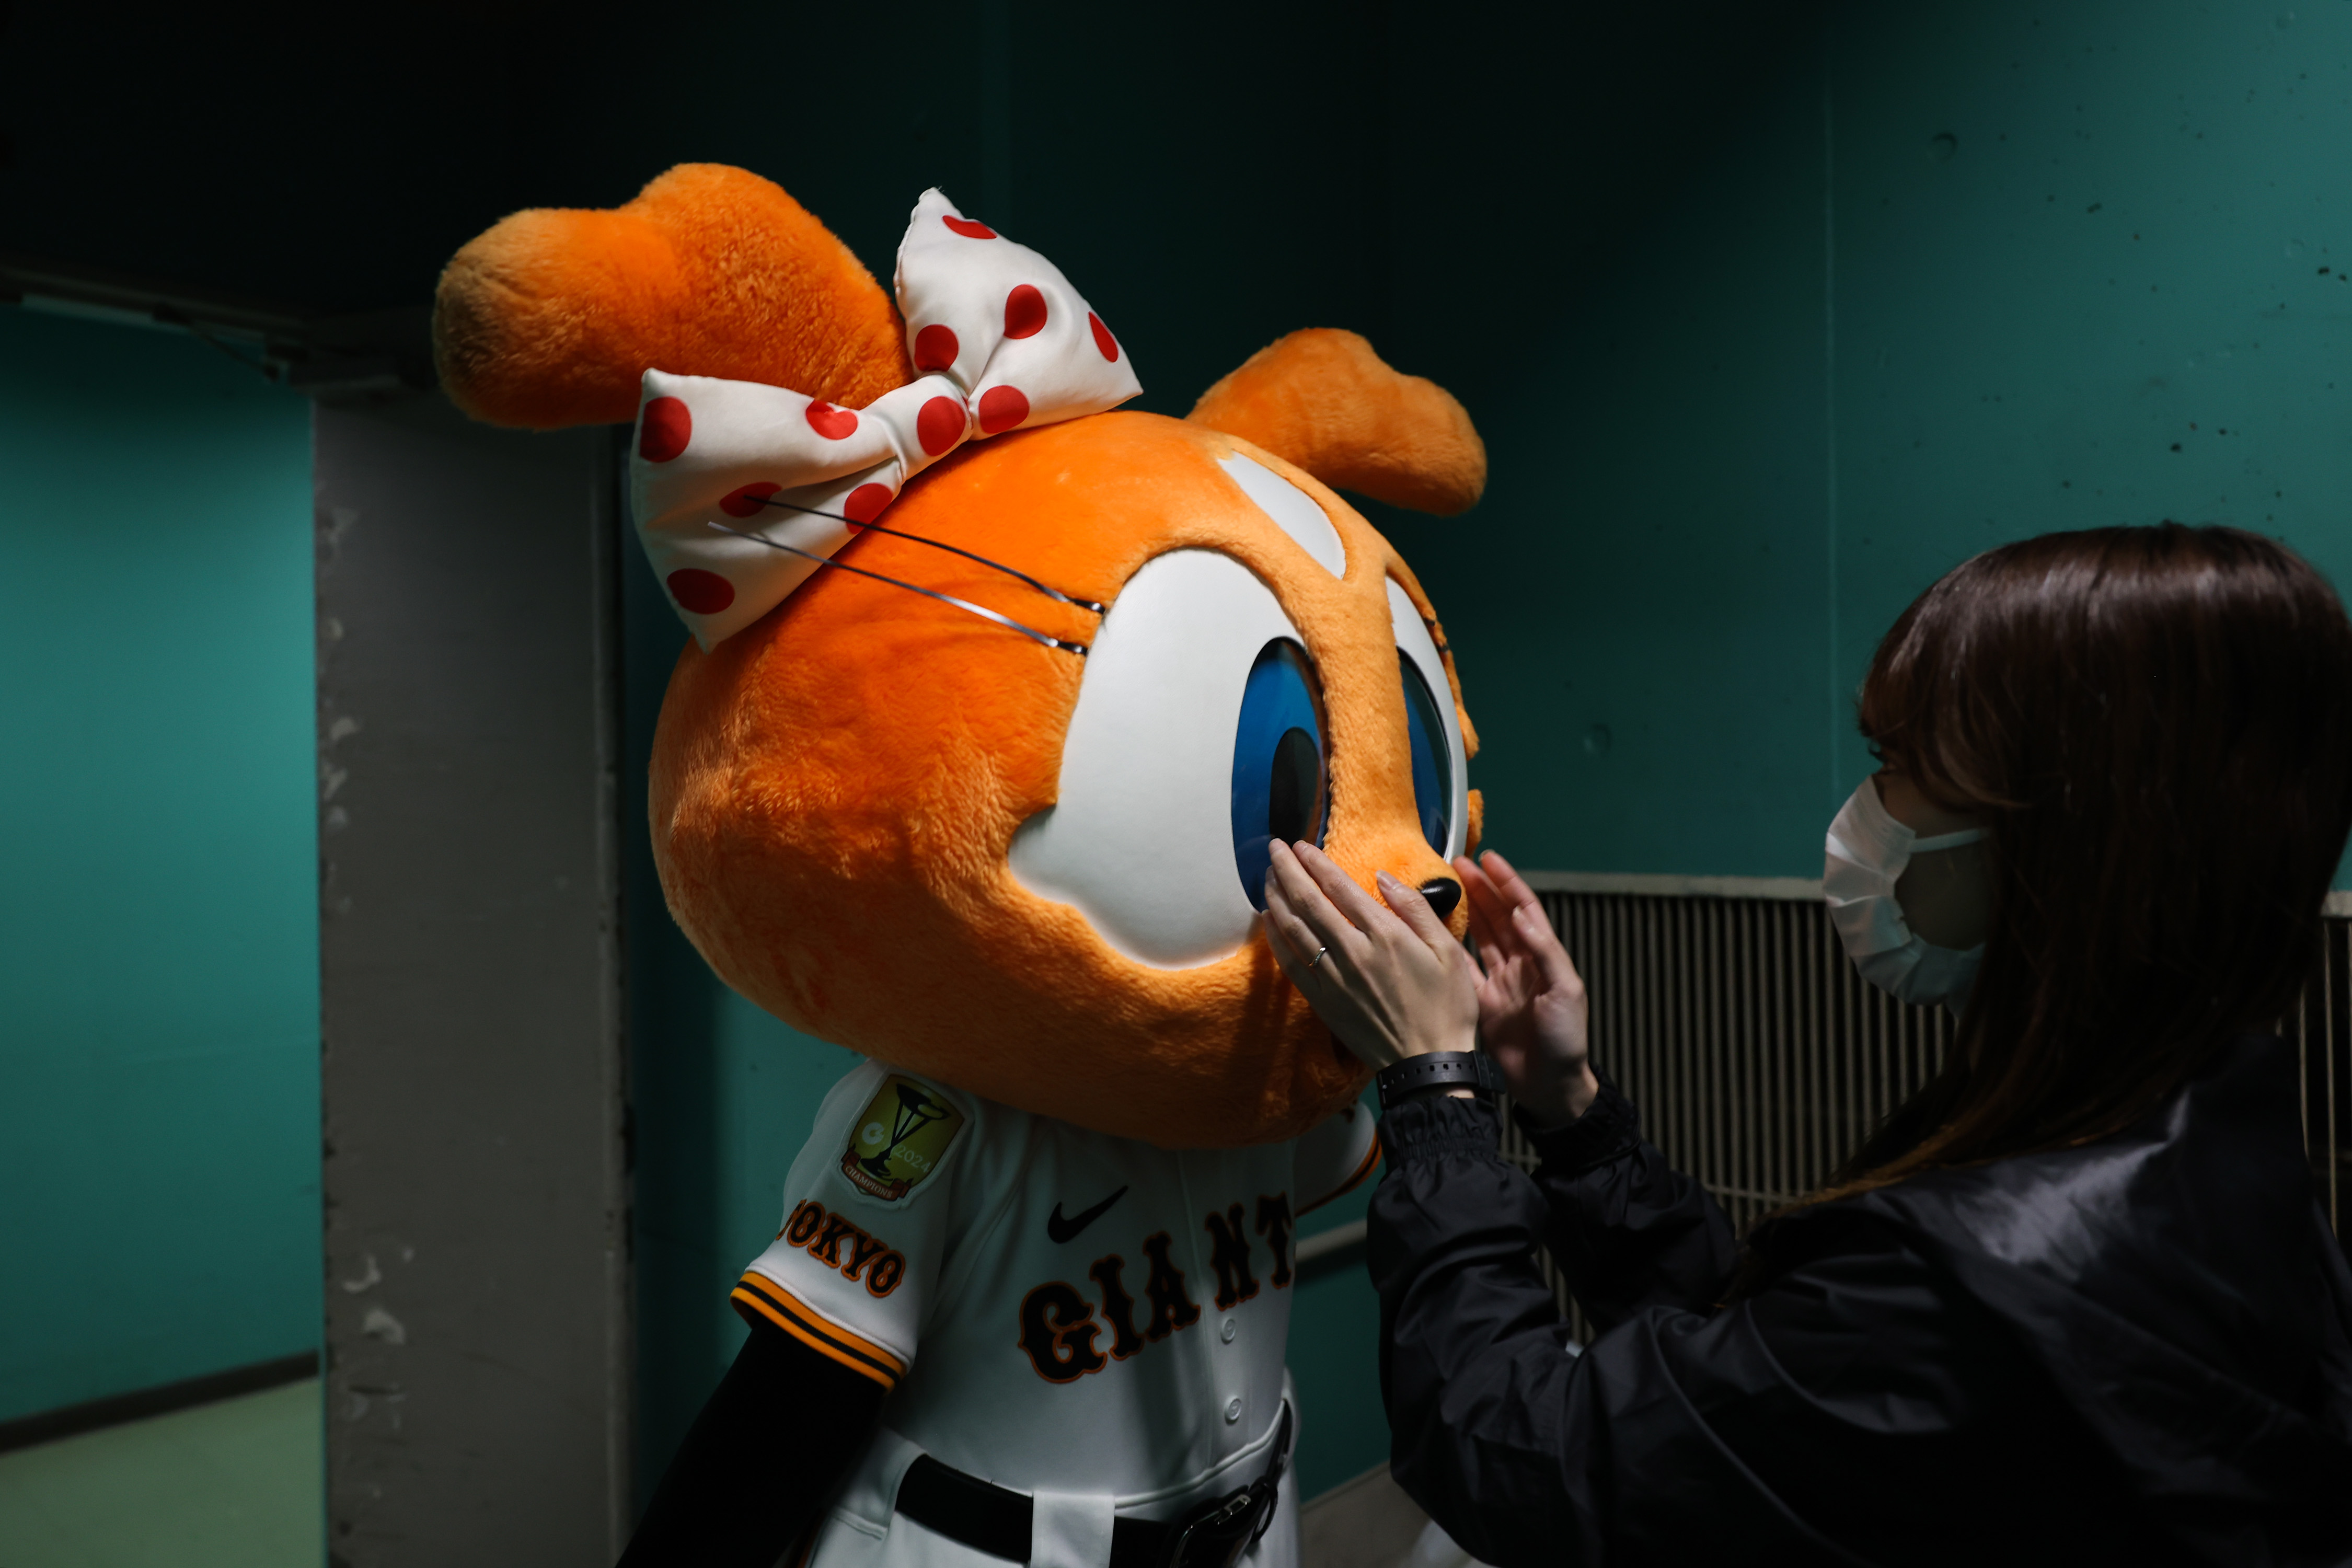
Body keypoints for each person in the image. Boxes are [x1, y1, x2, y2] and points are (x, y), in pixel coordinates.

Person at [1261, 524, 2352, 1566]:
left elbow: (1520, 1462)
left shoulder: (1982, 1289)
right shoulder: (2209, 1139)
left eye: (1905, 762)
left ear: (2077, 841)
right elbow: (1770, 1379)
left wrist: (1436, 1098)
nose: (1866, 810)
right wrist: (1573, 1113)